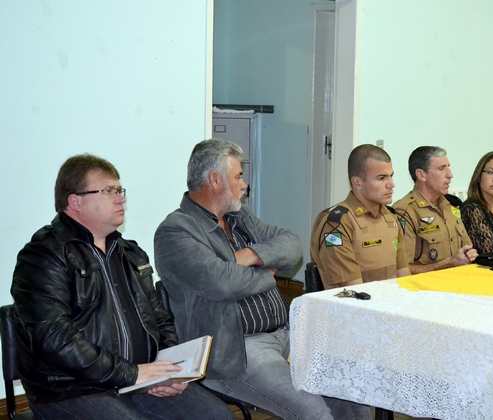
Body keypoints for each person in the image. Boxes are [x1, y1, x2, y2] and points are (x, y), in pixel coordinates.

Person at [154, 139, 371, 420]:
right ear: (215, 180)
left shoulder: (239, 217)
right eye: (238, 176)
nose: (244, 185)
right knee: (312, 410)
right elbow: (223, 283)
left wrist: (251, 254)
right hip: (236, 350)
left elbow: (292, 244)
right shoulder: (175, 232)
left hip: (285, 334)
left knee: (351, 389)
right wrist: (267, 273)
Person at [11, 154, 234, 420]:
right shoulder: (43, 255)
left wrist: (168, 371)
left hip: (139, 380)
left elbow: (160, 319)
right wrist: (131, 373)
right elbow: (54, 338)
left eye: (119, 190)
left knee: (217, 415)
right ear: (75, 201)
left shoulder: (131, 254)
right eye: (108, 191)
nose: (120, 199)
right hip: (73, 390)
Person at [310, 144, 410, 289]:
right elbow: (354, 291)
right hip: (357, 302)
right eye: (382, 178)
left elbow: (404, 278)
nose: (391, 184)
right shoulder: (338, 224)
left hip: (392, 300)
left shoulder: (391, 218)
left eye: (391, 176)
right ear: (357, 183)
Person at [393, 146, 477, 273]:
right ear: (421, 175)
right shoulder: (405, 211)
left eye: (448, 167)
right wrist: (449, 263)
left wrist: (470, 255)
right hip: (426, 284)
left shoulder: (450, 206)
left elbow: (467, 248)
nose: (450, 175)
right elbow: (402, 270)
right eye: (441, 169)